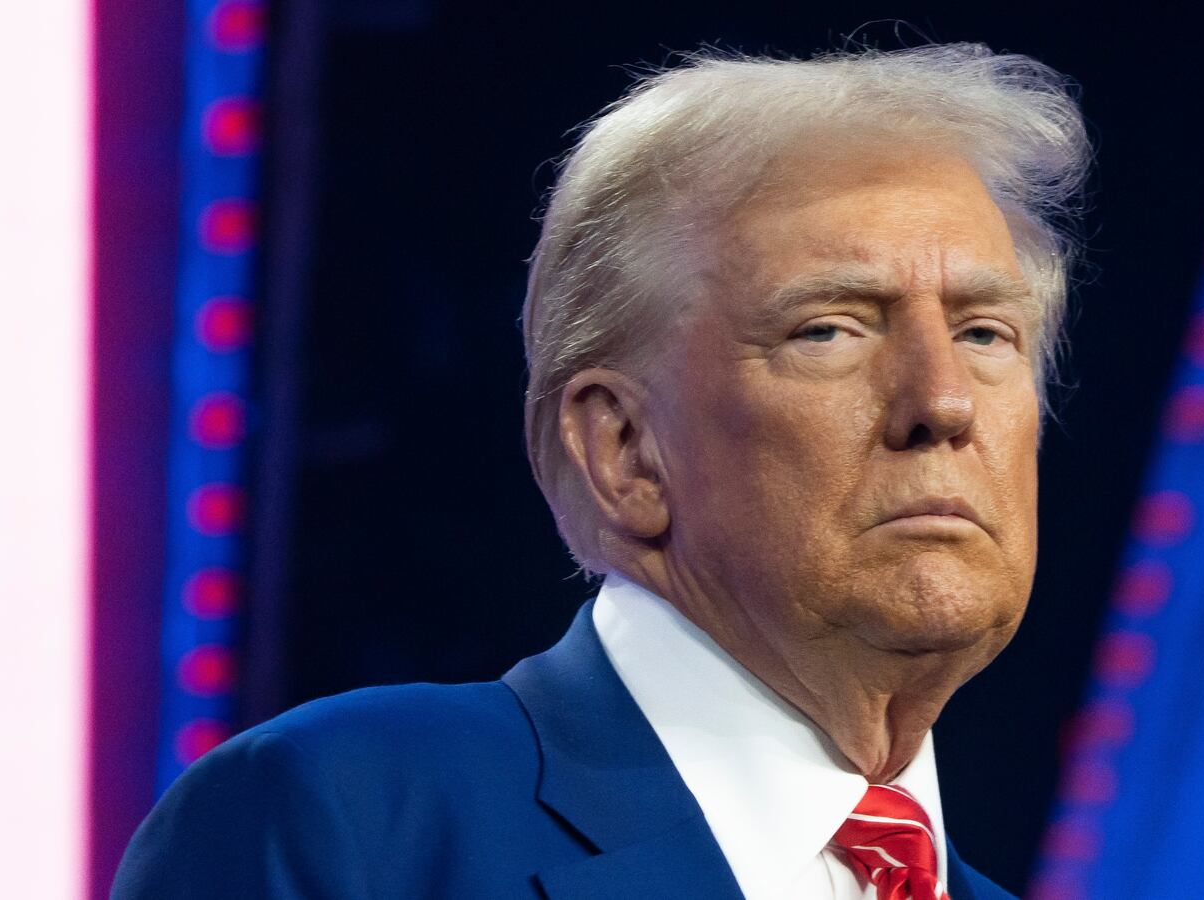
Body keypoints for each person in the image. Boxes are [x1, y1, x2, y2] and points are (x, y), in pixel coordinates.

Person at [114, 42, 1089, 900]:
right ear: (624, 450)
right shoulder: (350, 823)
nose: (944, 402)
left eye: (983, 333)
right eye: (828, 328)